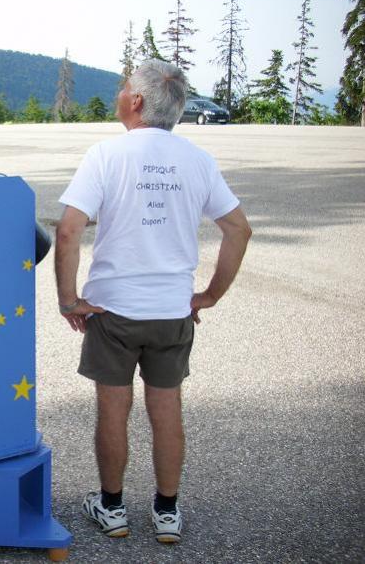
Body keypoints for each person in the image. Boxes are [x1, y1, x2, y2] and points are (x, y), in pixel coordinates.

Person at [54, 59, 251, 543]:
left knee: (113, 410)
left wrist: (69, 300)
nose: (120, 94)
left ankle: (113, 507)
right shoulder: (198, 160)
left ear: (137, 101)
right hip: (171, 313)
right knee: (166, 411)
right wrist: (209, 295)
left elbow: (69, 231)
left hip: (113, 312)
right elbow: (238, 230)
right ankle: (166, 512)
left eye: (124, 88)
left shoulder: (105, 155)